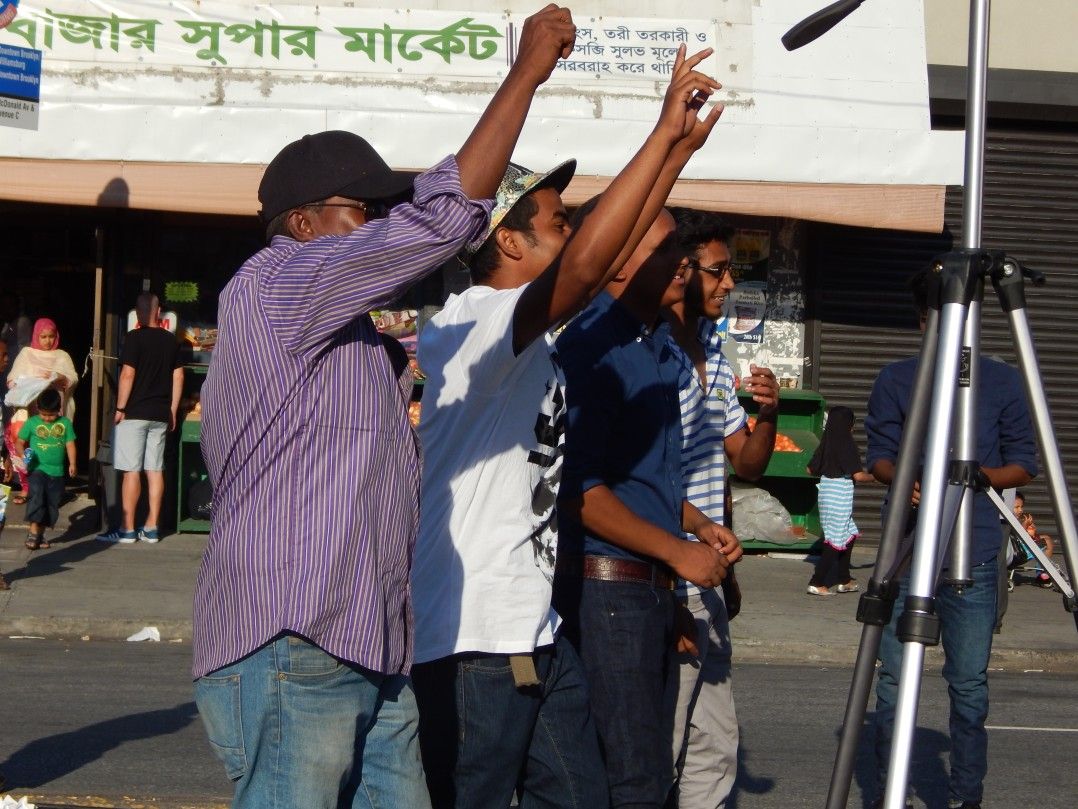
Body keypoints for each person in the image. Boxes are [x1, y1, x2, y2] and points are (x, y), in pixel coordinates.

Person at [192, 7, 577, 809]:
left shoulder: (360, 341)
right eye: (360, 212)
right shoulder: (276, 286)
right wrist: (526, 74)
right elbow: (440, 220)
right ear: (301, 227)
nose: (374, 228)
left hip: (368, 642)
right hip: (292, 639)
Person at [410, 46, 724, 809]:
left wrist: (674, 152)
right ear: (508, 242)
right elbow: (590, 265)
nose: (570, 232)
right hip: (475, 641)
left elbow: (611, 253)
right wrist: (656, 136)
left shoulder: (529, 340)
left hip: (535, 632)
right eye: (554, 222)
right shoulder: (474, 324)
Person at [553, 202, 743, 808]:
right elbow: (576, 490)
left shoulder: (656, 347)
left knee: (649, 773)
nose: (682, 266)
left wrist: (694, 529)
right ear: (613, 261)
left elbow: (646, 480)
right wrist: (675, 552)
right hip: (608, 591)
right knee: (629, 781)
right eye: (664, 252)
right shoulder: (593, 348)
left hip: (647, 590)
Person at [865, 269, 1038, 809]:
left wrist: (975, 479)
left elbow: (1024, 465)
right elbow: (879, 459)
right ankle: (887, 791)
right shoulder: (898, 380)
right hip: (906, 552)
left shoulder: (1003, 382)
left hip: (976, 551)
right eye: (931, 320)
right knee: (893, 682)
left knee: (967, 688)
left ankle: (968, 797)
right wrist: (909, 481)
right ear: (924, 321)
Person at [661, 207, 779, 809]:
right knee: (663, 742)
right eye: (718, 270)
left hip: (707, 572)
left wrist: (767, 412)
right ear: (682, 273)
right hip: (665, 569)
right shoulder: (652, 357)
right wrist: (690, 547)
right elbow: (639, 483)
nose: (730, 283)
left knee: (714, 741)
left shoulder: (713, 351)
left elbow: (746, 463)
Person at [96, 293, 183, 544]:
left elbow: (127, 376)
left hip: (134, 413)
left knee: (131, 471)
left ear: (139, 312)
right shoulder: (170, 341)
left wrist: (120, 407)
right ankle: (152, 527)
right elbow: (178, 377)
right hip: (160, 413)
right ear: (159, 312)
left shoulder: (134, 338)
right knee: (155, 470)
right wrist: (173, 409)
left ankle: (127, 529)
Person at [4, 318, 78, 505]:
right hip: (31, 412)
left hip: (54, 411)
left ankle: (52, 491)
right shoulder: (26, 354)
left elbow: (73, 379)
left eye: (51, 336)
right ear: (36, 336)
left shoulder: (62, 356)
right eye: (43, 337)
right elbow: (12, 380)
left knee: (53, 449)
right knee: (29, 448)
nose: (47, 341)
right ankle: (27, 487)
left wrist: (59, 378)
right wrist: (31, 379)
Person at [805, 405, 875, 596]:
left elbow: (810, 470)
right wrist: (876, 476)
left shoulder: (826, 442)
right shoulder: (847, 443)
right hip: (840, 494)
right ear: (848, 425)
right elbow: (859, 476)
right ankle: (817, 581)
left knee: (849, 533)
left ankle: (845, 579)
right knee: (835, 540)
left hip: (826, 490)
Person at [15, 388, 76, 550]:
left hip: (56, 472)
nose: (47, 418)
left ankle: (40, 535)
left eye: (51, 415)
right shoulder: (32, 423)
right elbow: (19, 442)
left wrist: (73, 463)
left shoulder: (65, 424)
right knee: (37, 497)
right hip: (37, 469)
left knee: (51, 504)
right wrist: (23, 456)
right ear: (37, 409)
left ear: (59, 410)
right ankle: (33, 532)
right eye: (44, 414)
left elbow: (70, 444)